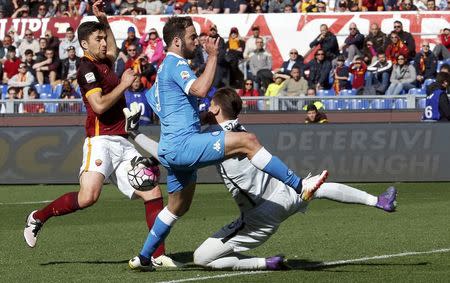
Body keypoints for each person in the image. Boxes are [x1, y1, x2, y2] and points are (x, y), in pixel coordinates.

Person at [127, 16, 328, 271]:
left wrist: (194, 117)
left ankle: (144, 257)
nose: (196, 42)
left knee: (178, 206)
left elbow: (170, 108)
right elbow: (200, 90)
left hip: (171, 148)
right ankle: (300, 187)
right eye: (191, 37)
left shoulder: (164, 70)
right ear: (176, 41)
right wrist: (213, 56)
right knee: (247, 141)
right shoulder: (176, 64)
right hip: (183, 145)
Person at [125, 88, 397, 271]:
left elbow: (169, 155)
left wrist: (135, 135)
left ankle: (264, 263)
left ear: (217, 110)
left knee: (201, 257)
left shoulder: (216, 141)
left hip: (259, 215)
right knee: (317, 187)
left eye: (211, 105)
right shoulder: (238, 131)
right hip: (283, 193)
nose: (207, 107)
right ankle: (378, 201)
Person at [23, 1, 178, 268]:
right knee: (88, 197)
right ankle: (38, 216)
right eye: (99, 39)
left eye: (104, 38)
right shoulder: (86, 69)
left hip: (123, 141)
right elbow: (99, 105)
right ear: (85, 44)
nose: (105, 43)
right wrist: (125, 85)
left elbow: (115, 50)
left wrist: (104, 21)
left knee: (152, 193)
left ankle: (157, 254)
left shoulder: (105, 60)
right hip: (101, 141)